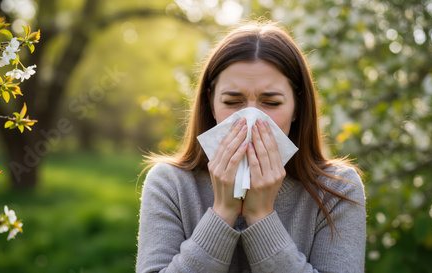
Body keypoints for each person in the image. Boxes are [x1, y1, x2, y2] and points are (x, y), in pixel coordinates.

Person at [136, 20, 366, 273]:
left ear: (296, 107)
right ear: (211, 104)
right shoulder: (170, 184)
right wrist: (223, 212)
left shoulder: (337, 189)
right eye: (233, 101)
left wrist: (261, 217)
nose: (250, 119)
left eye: (271, 103)